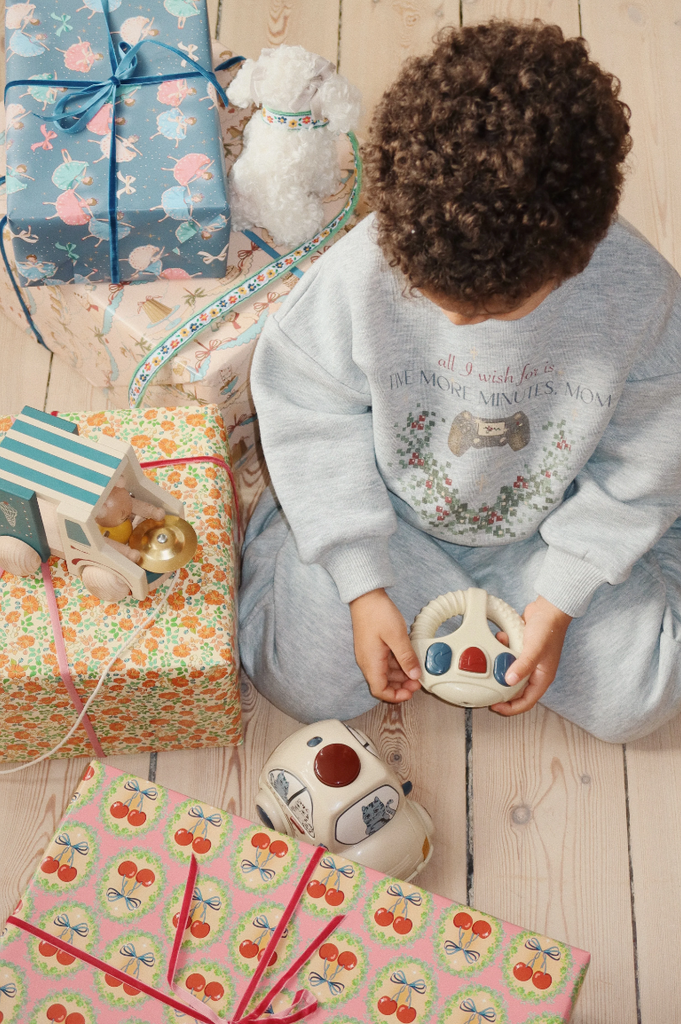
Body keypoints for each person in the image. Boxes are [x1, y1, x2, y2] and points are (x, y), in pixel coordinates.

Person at [238, 19, 681, 743]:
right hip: (387, 526)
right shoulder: (356, 275)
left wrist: (562, 597)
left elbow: (650, 454)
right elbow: (309, 414)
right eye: (442, 305)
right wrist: (361, 584)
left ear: (579, 253)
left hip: (550, 535)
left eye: (496, 313)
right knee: (298, 680)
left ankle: (518, 601)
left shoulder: (641, 297)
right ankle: (299, 541)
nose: (466, 326)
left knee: (641, 699)